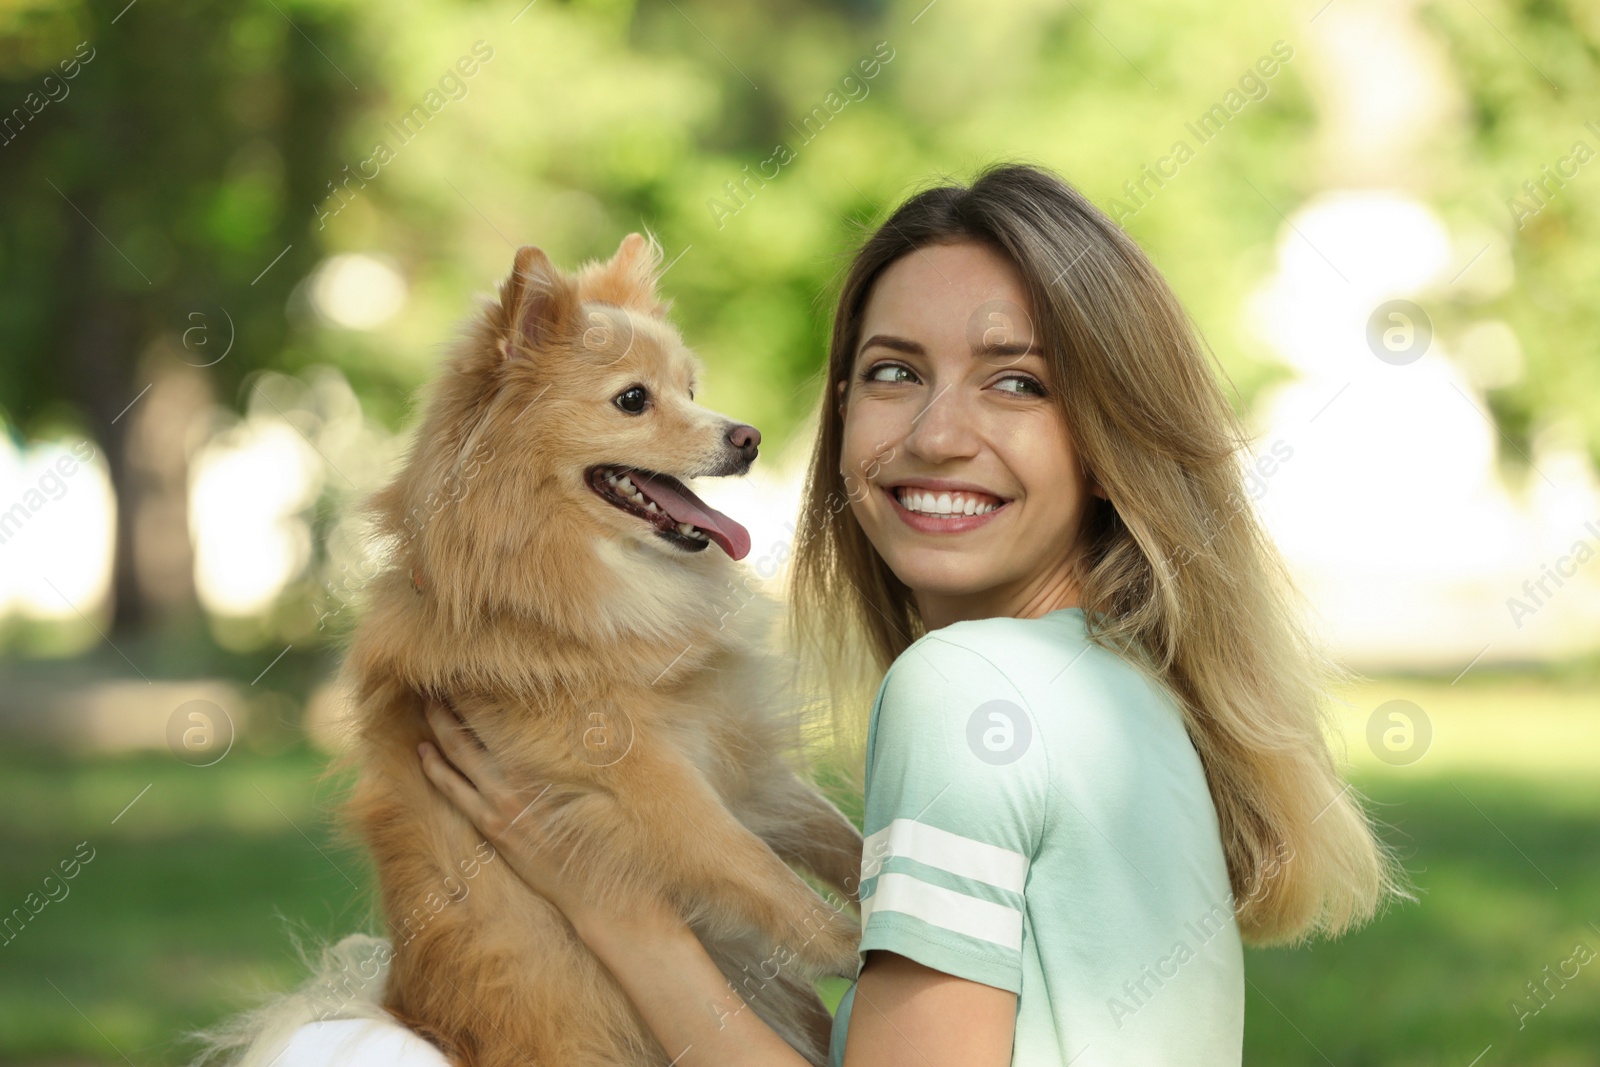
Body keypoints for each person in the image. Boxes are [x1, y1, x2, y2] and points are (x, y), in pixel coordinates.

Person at [411, 160, 1410, 1066]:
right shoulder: (1129, 689)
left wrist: (619, 915)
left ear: (1112, 435)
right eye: (893, 372)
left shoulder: (964, 690)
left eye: (1015, 382)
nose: (937, 433)